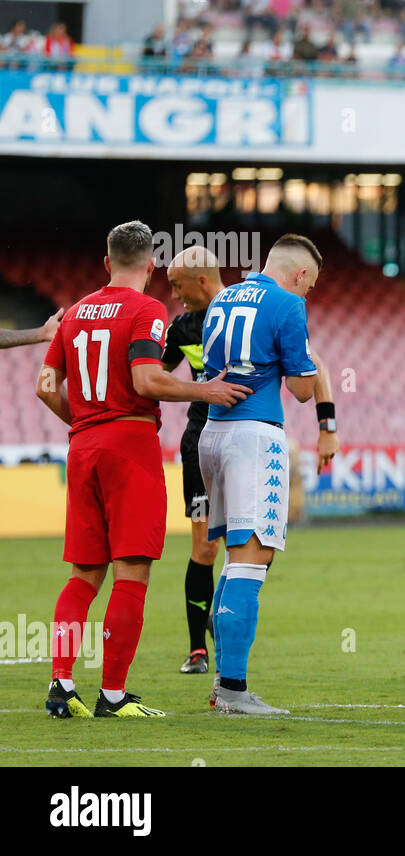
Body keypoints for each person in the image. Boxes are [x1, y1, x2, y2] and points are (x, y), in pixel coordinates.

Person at [39, 221, 250, 719]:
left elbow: (46, 385)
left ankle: (61, 686)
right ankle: (112, 695)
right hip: (129, 446)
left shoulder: (74, 315)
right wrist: (205, 390)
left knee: (82, 576)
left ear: (107, 263)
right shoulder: (147, 309)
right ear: (152, 266)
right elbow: (147, 378)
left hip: (83, 446)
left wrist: (87, 423)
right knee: (131, 573)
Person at [202, 234, 332, 715]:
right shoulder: (287, 305)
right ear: (299, 275)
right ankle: (233, 690)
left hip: (213, 434)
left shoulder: (223, 297)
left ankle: (222, 682)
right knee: (250, 563)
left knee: (235, 559)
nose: (308, 295)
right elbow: (300, 389)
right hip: (255, 436)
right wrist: (303, 358)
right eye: (311, 286)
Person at [162, 247, 227, 675]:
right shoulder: (182, 326)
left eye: (177, 286)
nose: (174, 294)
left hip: (244, 440)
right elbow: (159, 376)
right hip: (198, 442)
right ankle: (197, 649)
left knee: (251, 546)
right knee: (204, 546)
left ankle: (221, 614)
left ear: (200, 281)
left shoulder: (243, 311)